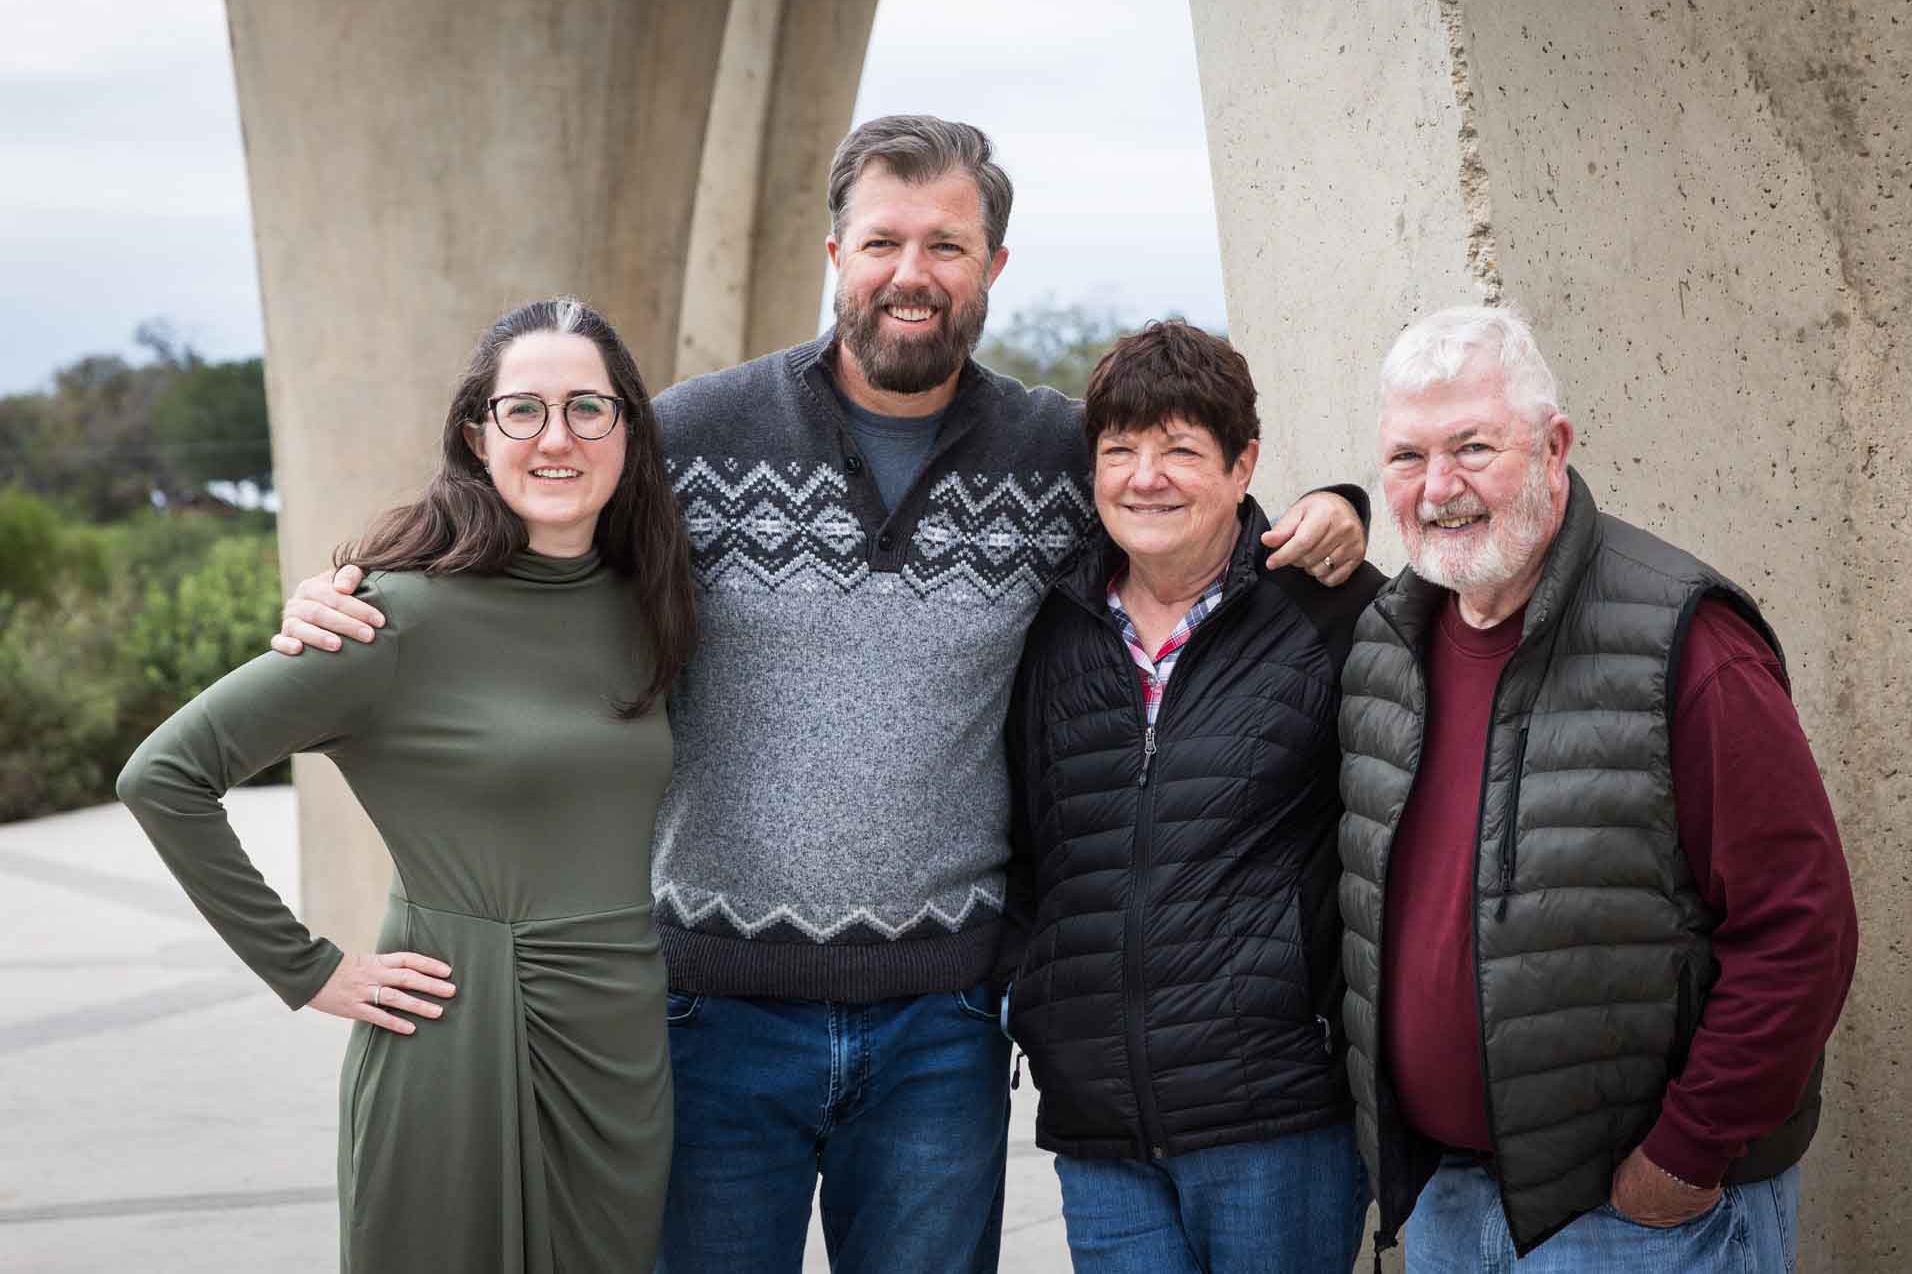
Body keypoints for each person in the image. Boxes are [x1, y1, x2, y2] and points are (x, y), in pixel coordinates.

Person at [273, 116, 1369, 1274]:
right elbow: (522, 546)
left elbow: (1191, 517)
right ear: (834, 252)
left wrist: (1336, 506)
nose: (912, 273)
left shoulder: (1055, 455)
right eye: (883, 240)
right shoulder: (691, 437)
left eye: (946, 246)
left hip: (938, 1030)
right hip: (708, 1015)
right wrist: (361, 587)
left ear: (992, 267)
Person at [120, 298, 696, 1273]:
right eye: (523, 410)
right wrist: (309, 969)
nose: (556, 437)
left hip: (621, 1049)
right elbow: (165, 775)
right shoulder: (390, 619)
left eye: (588, 408)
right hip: (456, 1040)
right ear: (477, 434)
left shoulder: (657, 602)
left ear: (629, 432)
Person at [1337, 305, 1859, 1271]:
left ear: (1554, 447)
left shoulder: (1687, 641)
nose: (1439, 487)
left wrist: (1682, 1156)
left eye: (1473, 447)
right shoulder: (1385, 639)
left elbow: (1802, 925)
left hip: (1637, 1218)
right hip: (1449, 1198)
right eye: (1407, 456)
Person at [1002, 320, 1382, 1273]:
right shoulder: (1051, 629)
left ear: (1243, 461)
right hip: (1099, 1128)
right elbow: (1022, 840)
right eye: (1120, 450)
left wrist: (1346, 504)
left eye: (1179, 450)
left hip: (1277, 1117)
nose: (1145, 477)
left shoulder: (1330, 612)